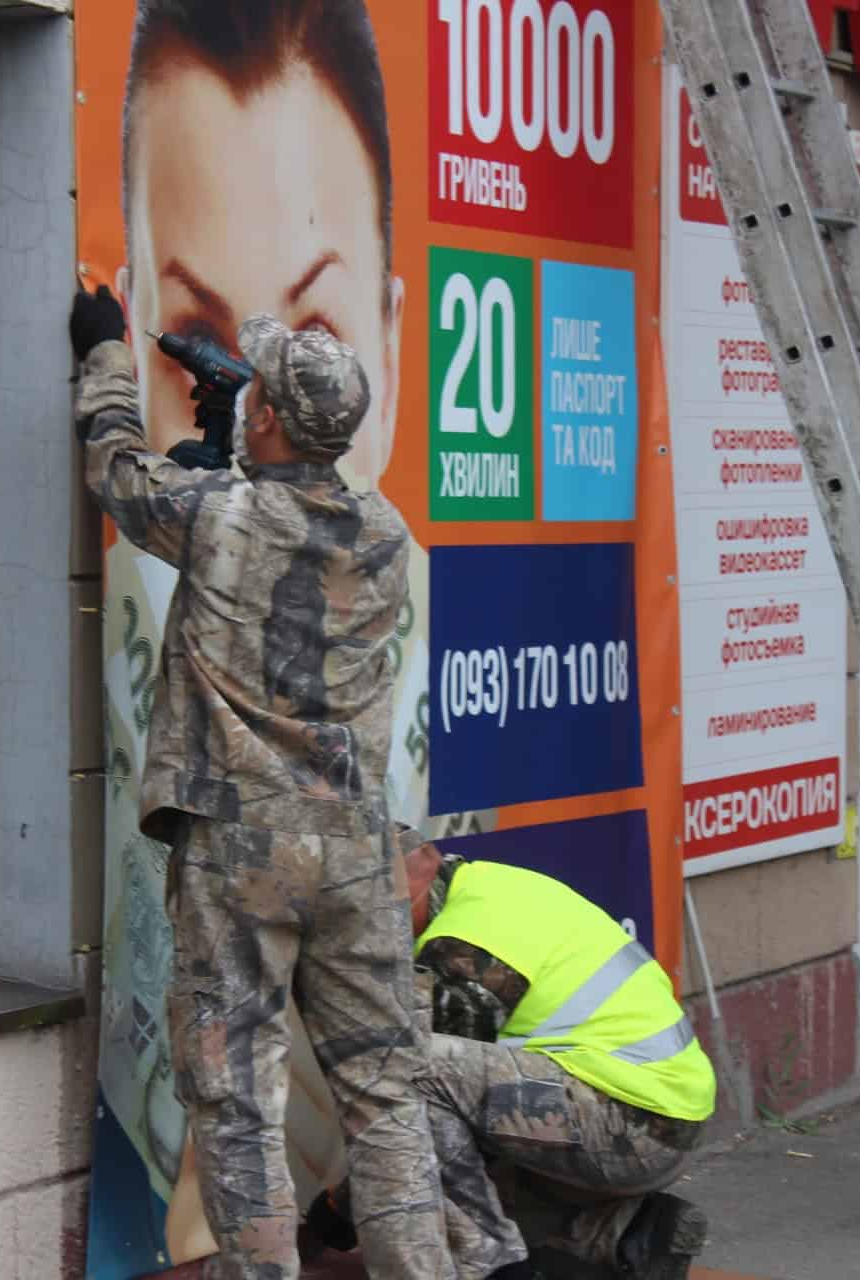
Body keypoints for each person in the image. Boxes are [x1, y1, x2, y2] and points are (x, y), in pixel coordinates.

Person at [71, 285, 453, 1278]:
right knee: (386, 1090)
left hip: (242, 851)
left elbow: (116, 469)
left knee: (238, 1099)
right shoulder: (385, 531)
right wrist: (239, 453)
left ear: (272, 414)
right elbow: (279, 518)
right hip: (358, 851)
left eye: (259, 398)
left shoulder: (216, 516)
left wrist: (106, 353)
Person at [302, 831, 716, 1279]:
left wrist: (335, 1213)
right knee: (456, 1152)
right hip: (657, 1116)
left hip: (628, 1123)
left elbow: (400, 1098)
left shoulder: (462, 948)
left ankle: (495, 1266)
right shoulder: (492, 886)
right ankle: (623, 1235)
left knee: (408, 1074)